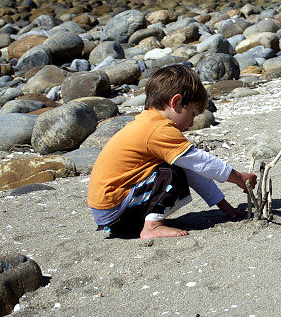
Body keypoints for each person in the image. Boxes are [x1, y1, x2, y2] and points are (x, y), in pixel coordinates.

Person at [87, 64, 257, 239]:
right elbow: (201, 162)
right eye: (192, 114)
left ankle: (136, 224)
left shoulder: (148, 122)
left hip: (111, 209)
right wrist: (238, 177)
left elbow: (193, 169)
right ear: (176, 102)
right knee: (172, 172)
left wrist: (223, 205)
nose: (191, 123)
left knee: (177, 165)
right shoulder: (158, 129)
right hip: (115, 207)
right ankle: (152, 227)